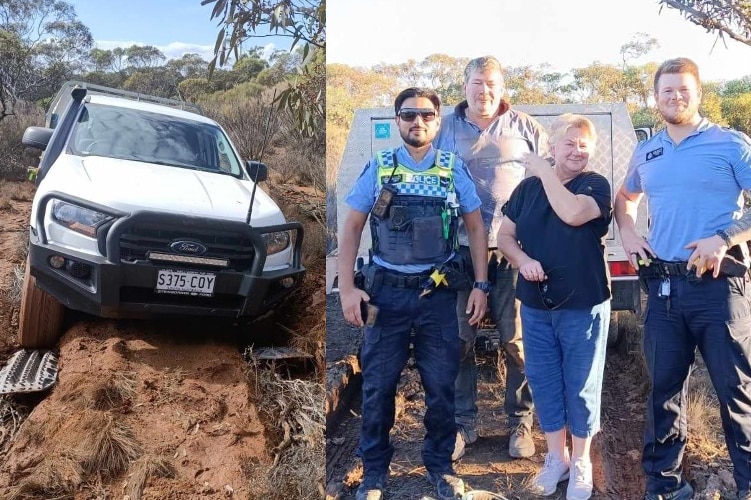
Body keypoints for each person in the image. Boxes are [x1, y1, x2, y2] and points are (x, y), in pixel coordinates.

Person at [338, 87, 491, 500]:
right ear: (397, 121)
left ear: (437, 121)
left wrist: (480, 285)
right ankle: (373, 474)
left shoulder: (451, 168)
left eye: (426, 115)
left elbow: (476, 228)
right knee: (378, 387)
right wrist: (347, 289)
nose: (417, 122)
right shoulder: (381, 167)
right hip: (385, 296)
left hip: (436, 296)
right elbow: (351, 227)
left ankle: (440, 468)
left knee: (441, 386)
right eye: (408, 115)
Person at [614, 57, 751, 500]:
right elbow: (625, 198)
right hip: (665, 290)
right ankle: (665, 486)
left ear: (699, 94)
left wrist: (724, 237)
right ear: (656, 98)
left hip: (720, 288)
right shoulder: (647, 150)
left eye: (683, 90)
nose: (675, 97)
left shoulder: (731, 144)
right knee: (664, 394)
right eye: (667, 91)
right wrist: (630, 231)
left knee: (737, 395)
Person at [434, 55, 548, 461]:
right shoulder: (442, 127)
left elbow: (545, 185)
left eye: (492, 84)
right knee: (459, 343)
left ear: (503, 88)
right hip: (458, 253)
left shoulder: (526, 127)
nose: (484, 91)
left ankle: (520, 421)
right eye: (477, 83)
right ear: (464, 86)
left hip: (513, 251)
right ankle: (464, 424)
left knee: (517, 342)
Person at [497, 114, 612, 500]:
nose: (577, 150)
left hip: (583, 304)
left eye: (584, 144)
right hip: (535, 305)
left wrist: (544, 172)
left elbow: (572, 213)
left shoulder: (594, 185)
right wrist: (520, 261)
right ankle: (555, 458)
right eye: (569, 143)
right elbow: (505, 235)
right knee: (544, 382)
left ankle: (581, 461)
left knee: (580, 385)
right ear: (553, 147)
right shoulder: (527, 189)